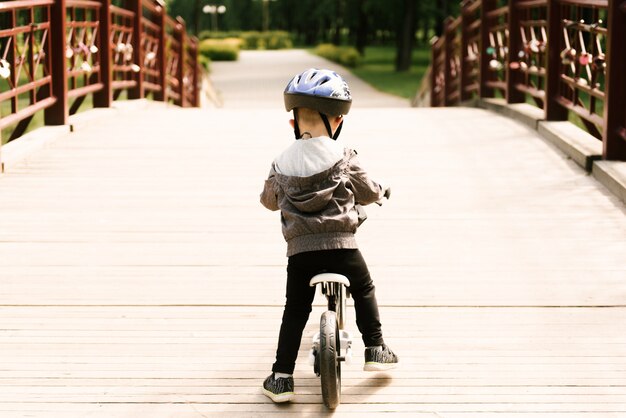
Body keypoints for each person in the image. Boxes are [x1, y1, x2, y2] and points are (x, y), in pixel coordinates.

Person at [259, 68, 398, 403]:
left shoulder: (281, 162)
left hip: (301, 253)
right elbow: (366, 191)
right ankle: (375, 348)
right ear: (337, 121)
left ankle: (281, 377)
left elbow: (268, 200)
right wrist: (380, 192)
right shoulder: (344, 157)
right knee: (364, 288)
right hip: (342, 247)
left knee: (295, 309)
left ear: (293, 123)